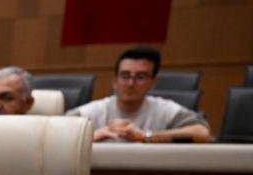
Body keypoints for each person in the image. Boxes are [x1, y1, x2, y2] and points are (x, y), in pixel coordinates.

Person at [67, 46, 211, 143]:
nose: (130, 83)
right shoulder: (95, 111)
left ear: (153, 82)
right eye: (125, 75)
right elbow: (54, 135)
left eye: (140, 76)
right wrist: (89, 138)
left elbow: (202, 133)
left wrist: (147, 136)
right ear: (114, 81)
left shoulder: (164, 110)